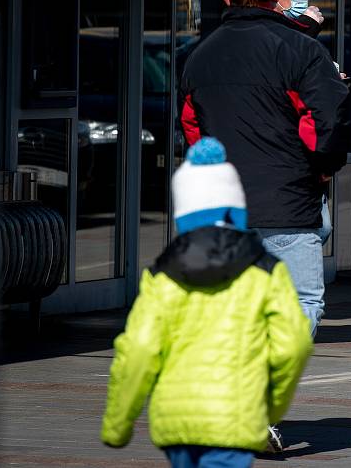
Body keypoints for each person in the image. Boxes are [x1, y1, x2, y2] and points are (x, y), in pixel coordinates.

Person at [179, 0, 349, 450]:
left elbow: (192, 127)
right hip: (288, 203)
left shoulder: (200, 55)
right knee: (301, 305)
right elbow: (327, 119)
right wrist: (320, 168)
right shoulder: (299, 50)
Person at [100, 137, 313, 468]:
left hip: (175, 418)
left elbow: (139, 350)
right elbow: (292, 346)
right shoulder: (267, 272)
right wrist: (270, 408)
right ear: (235, 209)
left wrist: (118, 423)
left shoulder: (162, 275)